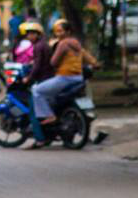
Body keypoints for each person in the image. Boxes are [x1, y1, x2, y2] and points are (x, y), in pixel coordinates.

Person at [27, 18, 95, 149]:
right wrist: (95, 63)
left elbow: (53, 62)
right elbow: (87, 56)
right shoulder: (77, 43)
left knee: (36, 91)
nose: (58, 33)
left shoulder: (62, 44)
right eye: (56, 31)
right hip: (78, 78)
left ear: (67, 32)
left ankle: (49, 117)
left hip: (64, 77)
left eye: (60, 31)